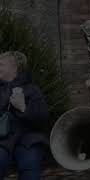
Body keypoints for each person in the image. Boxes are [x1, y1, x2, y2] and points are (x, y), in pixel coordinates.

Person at [0, 51, 49, 180]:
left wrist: (23, 108)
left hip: (28, 139)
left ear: (14, 68)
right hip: (2, 139)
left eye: (1, 64)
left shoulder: (32, 89)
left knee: (30, 167)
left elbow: (43, 118)